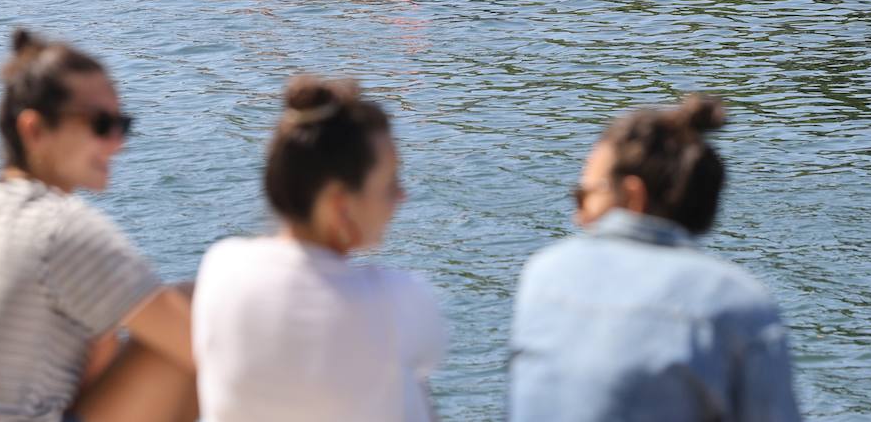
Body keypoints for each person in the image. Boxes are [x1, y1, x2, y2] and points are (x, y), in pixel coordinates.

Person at [0, 32, 198, 422]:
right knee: (201, 307)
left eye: (122, 124)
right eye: (102, 125)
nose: (118, 144)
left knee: (107, 323)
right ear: (34, 130)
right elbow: (210, 355)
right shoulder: (59, 229)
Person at [508, 95, 802, 421]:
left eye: (583, 196)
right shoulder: (739, 302)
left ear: (634, 196)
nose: (577, 216)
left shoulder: (544, 273)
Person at [194, 77, 446, 422]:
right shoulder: (400, 298)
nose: (402, 196)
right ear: (340, 205)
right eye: (390, 184)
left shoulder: (221, 266)